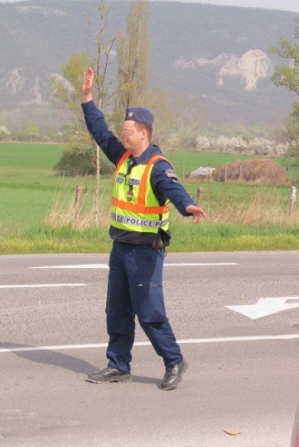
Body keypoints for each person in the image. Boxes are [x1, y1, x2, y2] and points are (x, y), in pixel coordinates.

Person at [81, 66, 205, 389]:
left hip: (146, 252)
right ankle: (118, 364)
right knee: (117, 310)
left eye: (128, 130)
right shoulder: (123, 158)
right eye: (122, 130)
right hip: (120, 247)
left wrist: (188, 206)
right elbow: (100, 133)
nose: (122, 134)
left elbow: (173, 190)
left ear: (143, 134)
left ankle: (174, 361)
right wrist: (87, 100)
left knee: (149, 312)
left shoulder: (157, 166)